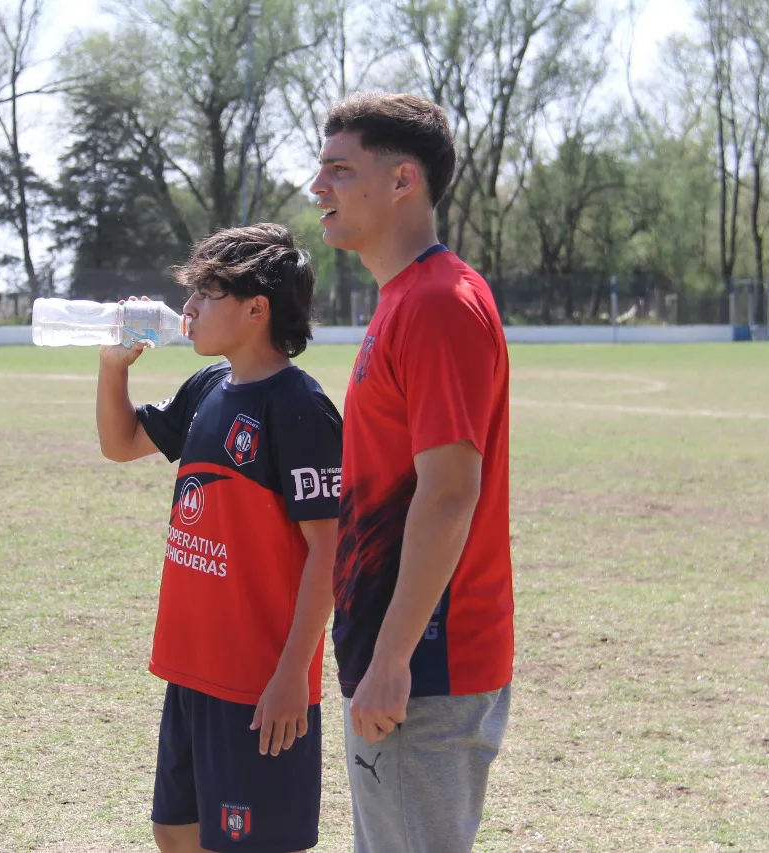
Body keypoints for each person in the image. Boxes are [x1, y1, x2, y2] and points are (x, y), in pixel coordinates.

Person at [95, 224, 342, 853]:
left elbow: (329, 551)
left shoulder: (300, 408)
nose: (189, 309)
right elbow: (120, 444)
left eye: (208, 294)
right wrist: (112, 369)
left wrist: (293, 676)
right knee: (176, 833)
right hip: (192, 668)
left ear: (258, 309)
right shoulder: (208, 388)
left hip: (259, 686)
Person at [309, 92, 514, 851]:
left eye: (338, 168)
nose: (317, 186)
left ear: (402, 181)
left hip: (429, 661)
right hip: (398, 655)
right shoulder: (402, 299)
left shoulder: (437, 302)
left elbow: (452, 488)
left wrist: (393, 656)